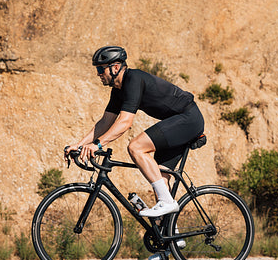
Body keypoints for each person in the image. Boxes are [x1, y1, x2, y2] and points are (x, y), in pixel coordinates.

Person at [65, 45, 205, 218]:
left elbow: (125, 122)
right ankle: (172, 235)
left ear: (115, 67)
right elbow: (105, 122)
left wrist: (98, 144)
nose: (98, 74)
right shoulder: (118, 91)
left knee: (136, 147)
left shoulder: (134, 79)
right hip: (176, 122)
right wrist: (79, 145)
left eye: (101, 69)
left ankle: (167, 203)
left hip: (188, 118)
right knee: (159, 179)